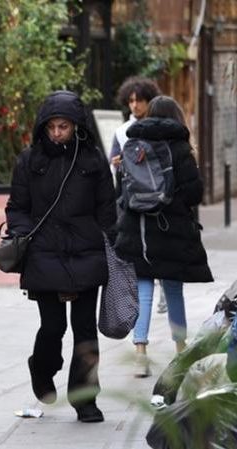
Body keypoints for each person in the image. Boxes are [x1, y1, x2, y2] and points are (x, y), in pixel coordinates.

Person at [5, 91, 116, 423]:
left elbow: (107, 208)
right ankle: (41, 368)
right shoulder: (29, 160)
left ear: (76, 126)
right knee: (53, 326)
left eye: (63, 126)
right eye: (51, 127)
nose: (56, 133)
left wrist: (110, 240)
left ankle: (85, 400)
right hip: (44, 253)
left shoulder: (93, 160)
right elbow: (17, 207)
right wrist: (23, 233)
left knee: (85, 330)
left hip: (86, 252)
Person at [114, 95, 213, 377]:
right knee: (172, 289)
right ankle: (180, 350)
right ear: (175, 116)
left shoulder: (134, 145)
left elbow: (123, 191)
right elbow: (194, 193)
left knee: (143, 291)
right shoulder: (179, 147)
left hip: (139, 230)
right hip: (171, 229)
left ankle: (140, 354)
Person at [110, 77, 167, 315]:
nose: (134, 105)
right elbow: (113, 161)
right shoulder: (121, 131)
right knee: (136, 250)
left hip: (157, 196)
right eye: (131, 100)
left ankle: (164, 288)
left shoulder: (160, 127)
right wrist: (118, 162)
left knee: (159, 246)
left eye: (140, 100)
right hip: (132, 198)